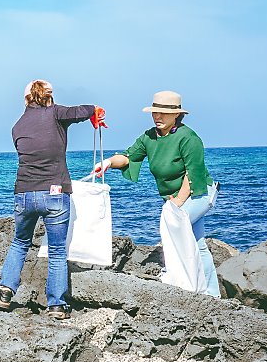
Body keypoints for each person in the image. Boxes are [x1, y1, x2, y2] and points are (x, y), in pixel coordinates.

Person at [0, 80, 105, 320]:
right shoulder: (56, 113)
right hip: (54, 194)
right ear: (49, 97)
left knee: (19, 243)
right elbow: (84, 110)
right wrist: (96, 111)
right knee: (56, 251)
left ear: (25, 100)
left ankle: (5, 290)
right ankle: (56, 305)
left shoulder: (17, 126)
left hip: (23, 194)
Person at [94, 90, 220, 297]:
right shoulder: (149, 137)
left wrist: (177, 202)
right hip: (175, 199)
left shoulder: (189, 138)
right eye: (155, 112)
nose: (157, 117)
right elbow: (127, 158)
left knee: (172, 226)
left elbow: (192, 173)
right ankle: (211, 294)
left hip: (198, 193)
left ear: (177, 115)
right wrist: (107, 163)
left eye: (163, 113)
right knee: (197, 244)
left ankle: (181, 280)